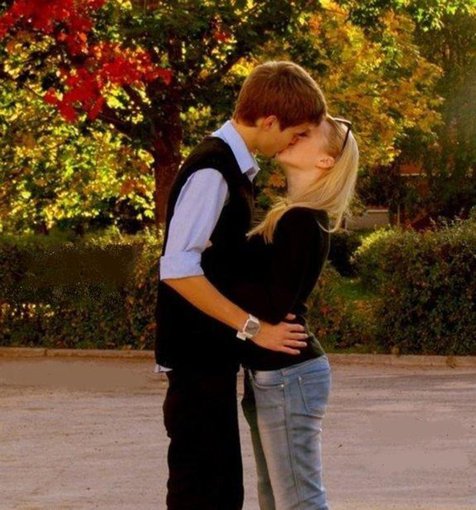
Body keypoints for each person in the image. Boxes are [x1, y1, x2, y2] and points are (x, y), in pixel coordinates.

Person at [155, 61, 327, 510]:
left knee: (220, 492)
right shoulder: (214, 170)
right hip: (195, 363)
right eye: (295, 133)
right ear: (269, 121)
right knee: (203, 495)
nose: (294, 143)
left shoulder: (233, 168)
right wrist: (255, 329)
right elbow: (177, 269)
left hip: (210, 362)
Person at [233, 115, 359, 510]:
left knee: (299, 502)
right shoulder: (294, 216)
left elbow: (274, 304)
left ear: (325, 161)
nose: (291, 136)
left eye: (304, 135)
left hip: (290, 375)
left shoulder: (302, 220)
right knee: (276, 499)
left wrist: (209, 271)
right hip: (278, 373)